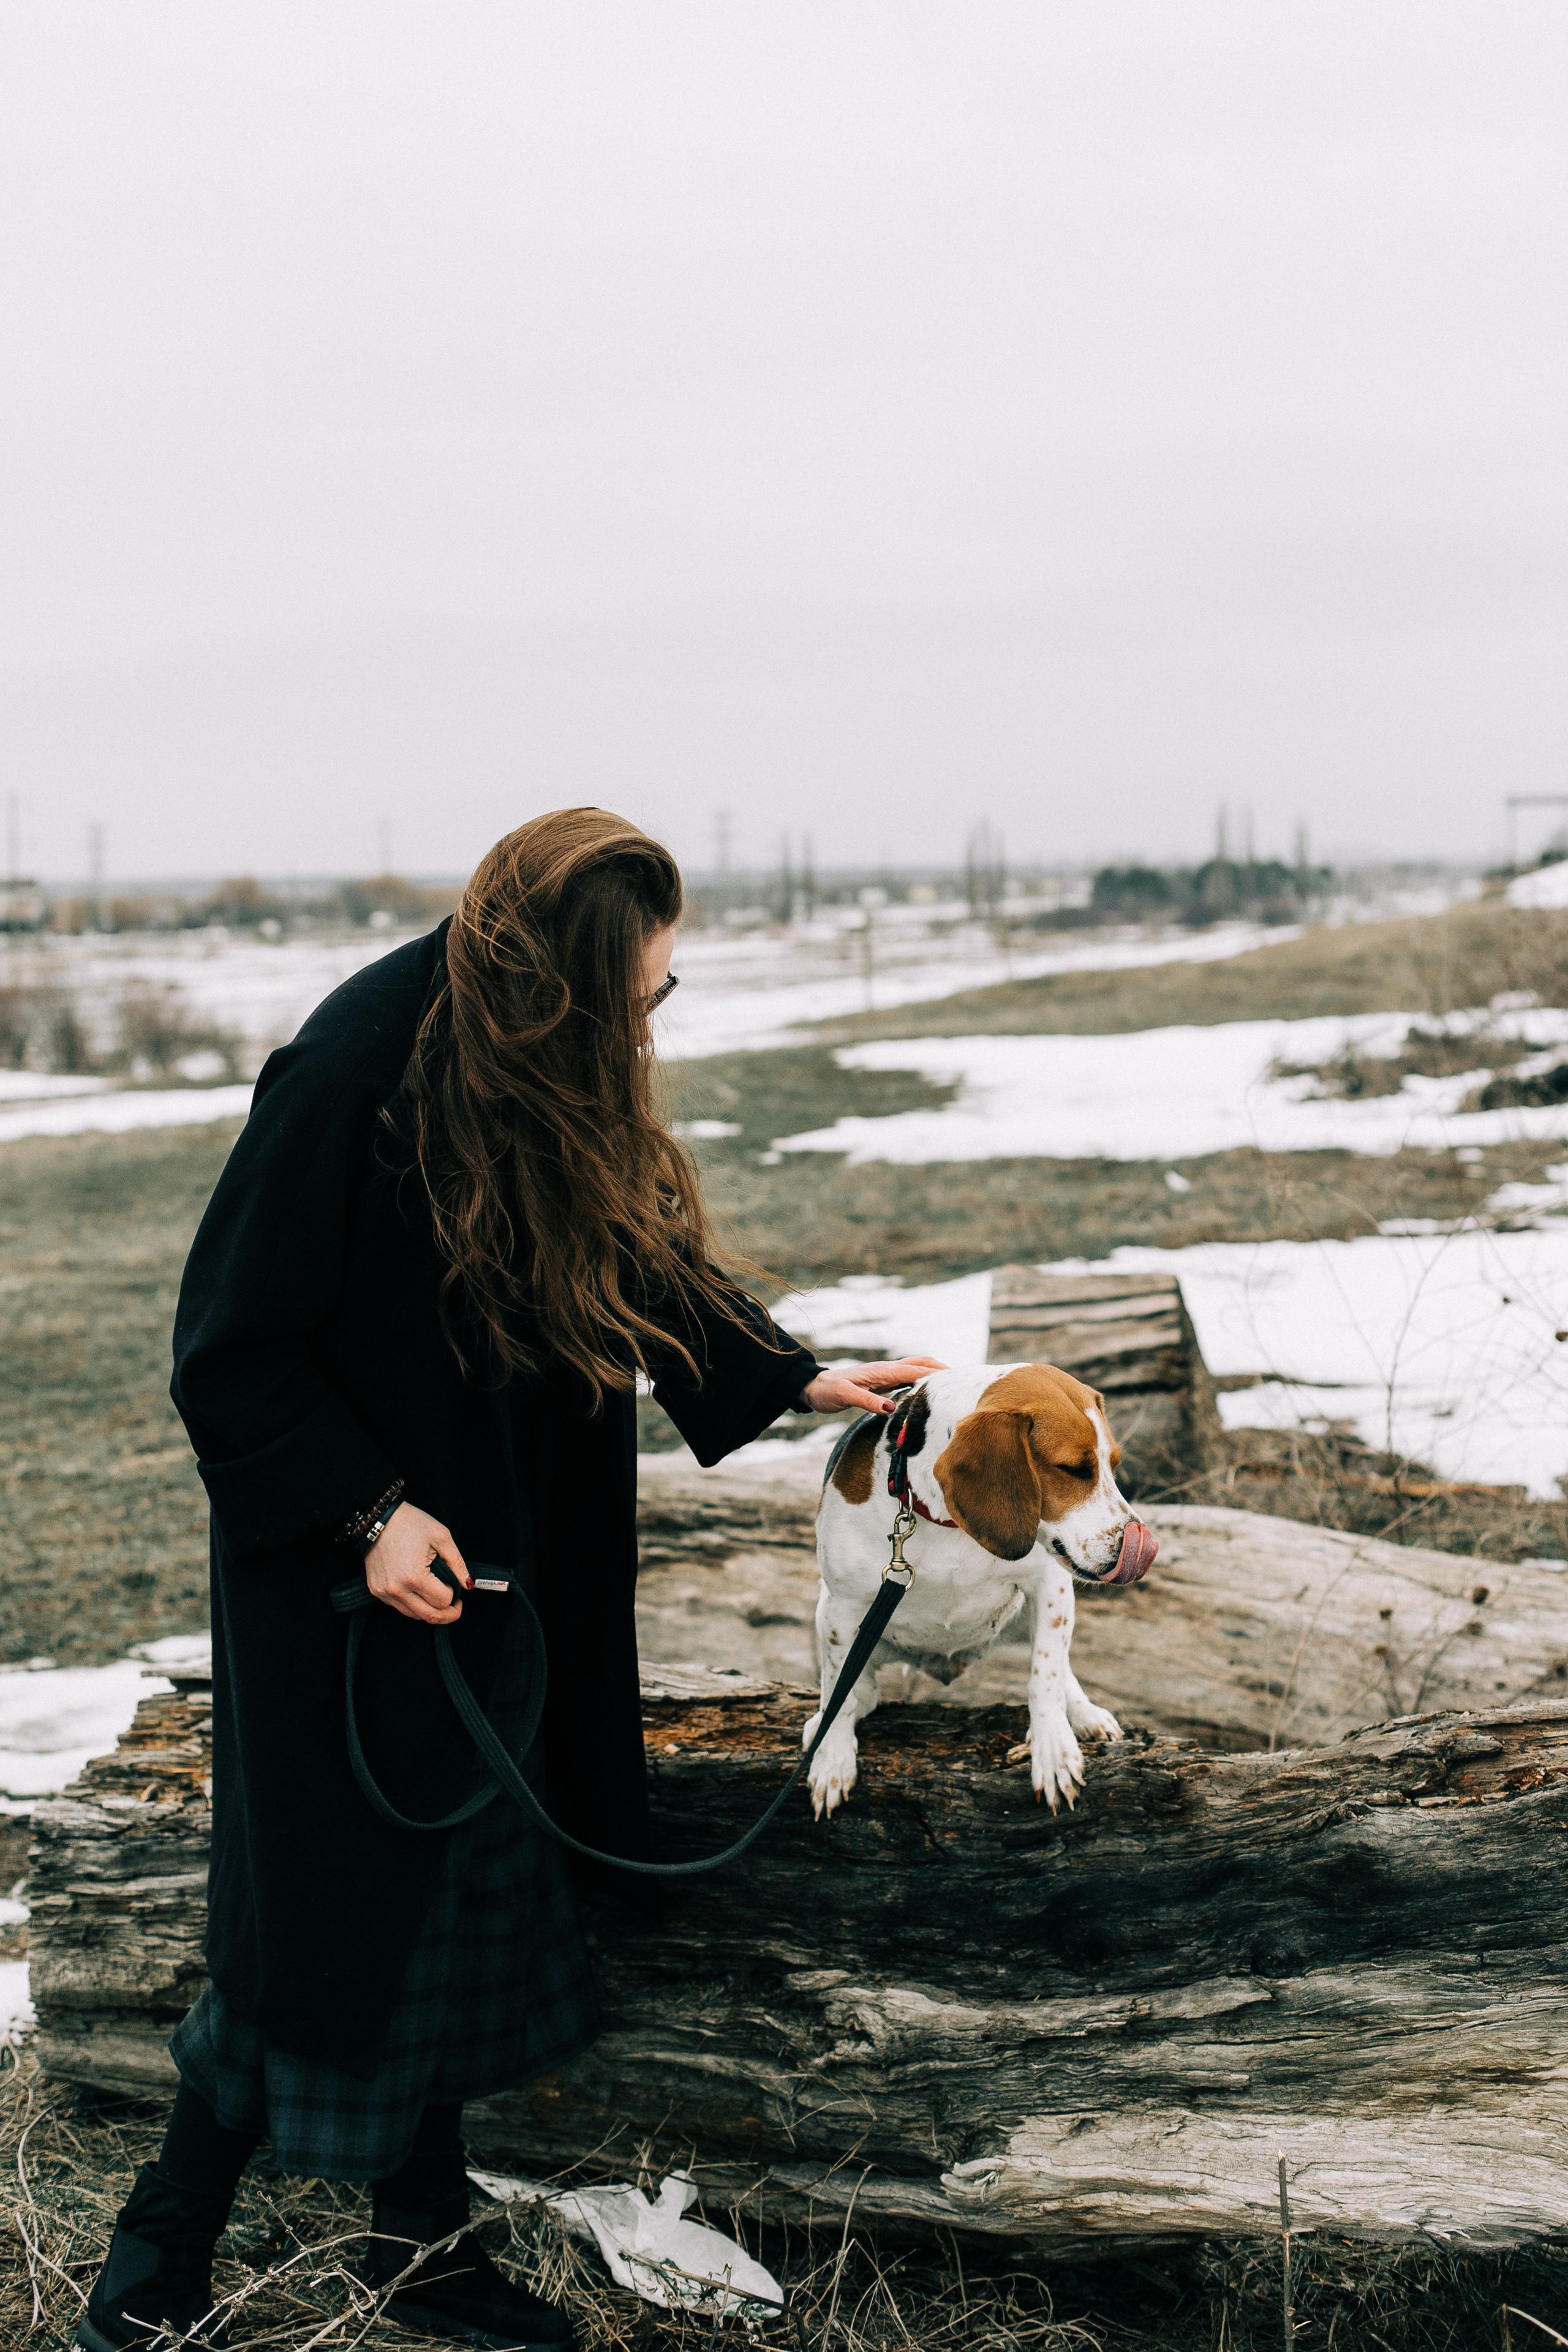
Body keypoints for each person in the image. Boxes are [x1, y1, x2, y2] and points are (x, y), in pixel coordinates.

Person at [77, 809, 938, 2352]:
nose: (648, 1026)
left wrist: (787, 1375)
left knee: (461, 1909)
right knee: (318, 1938)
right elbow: (227, 1350)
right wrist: (367, 1514)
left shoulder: (538, 1061)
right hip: (358, 1590)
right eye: (635, 997)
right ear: (553, 979)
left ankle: (419, 2257)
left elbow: (626, 1252)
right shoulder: (351, 1069)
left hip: (507, 1570)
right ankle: (153, 2269)